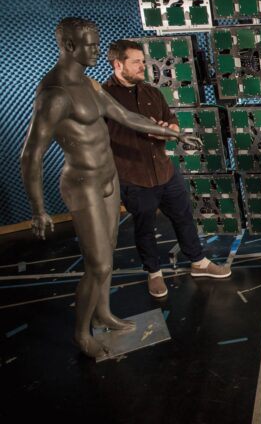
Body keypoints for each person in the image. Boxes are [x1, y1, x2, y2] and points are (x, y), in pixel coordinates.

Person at [20, 18, 202, 359]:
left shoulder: (88, 85)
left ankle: (103, 313)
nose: (95, 51)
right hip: (83, 183)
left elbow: (125, 116)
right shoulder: (55, 94)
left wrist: (174, 134)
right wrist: (37, 208)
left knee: (110, 250)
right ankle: (82, 334)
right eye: (89, 45)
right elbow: (31, 153)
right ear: (70, 47)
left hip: (110, 178)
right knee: (99, 264)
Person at [103, 39, 231, 299]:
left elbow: (170, 121)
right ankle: (154, 273)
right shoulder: (103, 98)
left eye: (143, 61)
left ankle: (197, 261)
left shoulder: (151, 92)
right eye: (136, 62)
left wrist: (171, 130)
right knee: (145, 227)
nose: (143, 66)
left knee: (183, 216)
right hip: (133, 175)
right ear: (118, 64)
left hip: (164, 170)